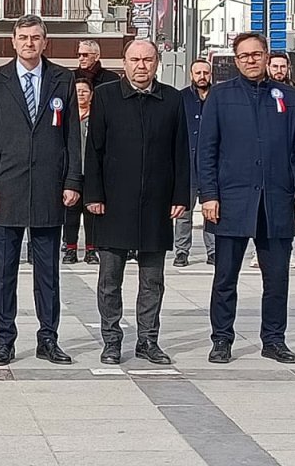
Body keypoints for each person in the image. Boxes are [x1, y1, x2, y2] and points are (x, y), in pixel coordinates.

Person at [198, 32, 295, 365]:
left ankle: (274, 339)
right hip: (231, 201)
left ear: (267, 56)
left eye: (256, 54)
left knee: (277, 278)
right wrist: (208, 195)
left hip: (275, 201)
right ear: (235, 60)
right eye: (244, 56)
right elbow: (206, 151)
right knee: (225, 278)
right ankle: (222, 338)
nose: (251, 60)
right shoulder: (220, 97)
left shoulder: (290, 98)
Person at [0, 15, 82, 366]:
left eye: (35, 37)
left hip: (49, 190)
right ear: (13, 41)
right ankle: (5, 338)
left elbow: (71, 136)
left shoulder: (62, 79)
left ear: (45, 41)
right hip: (6, 189)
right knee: (4, 271)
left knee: (47, 271)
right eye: (23, 37)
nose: (29, 43)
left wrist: (72, 181)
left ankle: (48, 338)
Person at [84, 41, 189, 366]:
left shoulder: (172, 99)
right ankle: (112, 341)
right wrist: (94, 194)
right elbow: (94, 150)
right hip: (114, 204)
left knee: (152, 280)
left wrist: (181, 196)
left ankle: (148, 340)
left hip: (157, 204)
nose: (141, 66)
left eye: (147, 59)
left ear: (157, 62)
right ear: (124, 63)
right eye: (135, 60)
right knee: (109, 279)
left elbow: (181, 153)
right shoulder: (106, 96)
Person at [258, 52, 295, 271]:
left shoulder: (294, 96)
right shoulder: (261, 93)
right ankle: (258, 252)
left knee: (284, 213)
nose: (279, 70)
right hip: (261, 167)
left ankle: (287, 250)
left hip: (286, 170)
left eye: (282, 67)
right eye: (275, 66)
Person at [174, 58, 217, 267]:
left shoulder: (219, 98)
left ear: (211, 74)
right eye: (198, 73)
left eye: (205, 73)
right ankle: (181, 252)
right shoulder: (181, 98)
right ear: (191, 75)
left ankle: (214, 251)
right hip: (187, 166)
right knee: (184, 213)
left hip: (213, 167)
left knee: (213, 211)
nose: (202, 77)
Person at [61, 78, 96, 265]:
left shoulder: (97, 117)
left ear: (91, 95)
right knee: (71, 215)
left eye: (84, 91)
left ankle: (91, 250)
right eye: (77, 91)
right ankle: (70, 249)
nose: (80, 94)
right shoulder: (66, 116)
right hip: (71, 175)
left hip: (91, 175)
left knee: (91, 214)